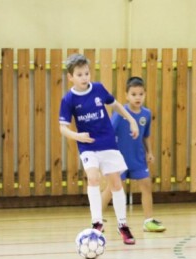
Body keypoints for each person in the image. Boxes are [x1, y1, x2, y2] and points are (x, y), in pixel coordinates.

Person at [59, 54, 137, 245]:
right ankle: (97, 222)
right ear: (71, 77)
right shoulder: (68, 99)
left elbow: (115, 105)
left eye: (86, 73)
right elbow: (63, 128)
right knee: (93, 178)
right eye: (79, 74)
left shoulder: (99, 89)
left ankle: (122, 225)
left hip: (107, 143)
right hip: (87, 145)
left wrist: (132, 119)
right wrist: (77, 136)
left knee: (116, 183)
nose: (84, 77)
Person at [101, 76, 166, 233]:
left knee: (146, 185)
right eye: (134, 94)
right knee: (112, 188)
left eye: (140, 94)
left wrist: (149, 152)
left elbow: (146, 135)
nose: (137, 97)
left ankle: (148, 220)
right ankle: (97, 219)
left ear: (145, 94)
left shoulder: (146, 114)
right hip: (119, 159)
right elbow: (109, 132)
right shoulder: (120, 113)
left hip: (137, 159)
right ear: (126, 95)